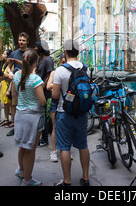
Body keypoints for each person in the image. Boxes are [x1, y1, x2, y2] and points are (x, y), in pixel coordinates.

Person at [51, 40, 90, 186]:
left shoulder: (60, 70)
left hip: (64, 112)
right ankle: (85, 178)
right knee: (83, 145)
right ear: (78, 52)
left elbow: (55, 96)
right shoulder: (85, 68)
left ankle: (67, 181)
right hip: (82, 113)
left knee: (64, 148)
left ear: (65, 52)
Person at [11, 49, 46, 186]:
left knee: (22, 146)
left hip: (20, 114)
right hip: (33, 117)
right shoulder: (35, 79)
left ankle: (21, 171)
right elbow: (42, 101)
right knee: (30, 149)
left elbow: (14, 94)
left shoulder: (17, 76)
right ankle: (27, 179)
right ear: (35, 62)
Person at [34, 40, 54, 147]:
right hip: (39, 90)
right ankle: (41, 136)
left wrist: (42, 86)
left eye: (36, 47)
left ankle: (45, 138)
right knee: (40, 114)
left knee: (44, 115)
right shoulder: (39, 59)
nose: (35, 49)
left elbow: (49, 74)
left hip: (45, 92)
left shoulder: (48, 60)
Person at [46, 55, 66, 163]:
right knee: (55, 127)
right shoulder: (55, 72)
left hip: (66, 103)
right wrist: (58, 84)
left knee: (66, 127)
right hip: (55, 102)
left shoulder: (69, 72)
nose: (63, 64)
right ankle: (54, 151)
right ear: (59, 62)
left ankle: (65, 150)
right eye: (62, 62)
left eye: (65, 62)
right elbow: (48, 86)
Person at [0, 49, 14, 128]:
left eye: (4, 54)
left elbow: (12, 78)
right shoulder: (4, 64)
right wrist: (0, 85)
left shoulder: (11, 65)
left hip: (8, 86)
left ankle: (12, 120)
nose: (2, 55)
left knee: (10, 104)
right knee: (5, 104)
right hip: (3, 86)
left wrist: (9, 90)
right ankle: (6, 119)